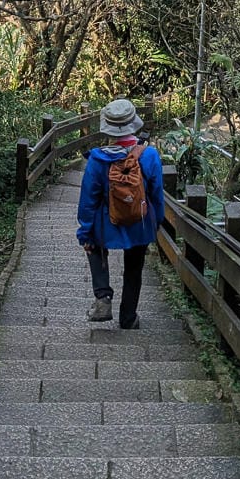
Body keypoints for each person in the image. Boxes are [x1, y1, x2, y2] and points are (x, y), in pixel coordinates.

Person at [76, 98, 165, 329]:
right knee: (134, 267)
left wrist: (85, 232)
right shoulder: (149, 155)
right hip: (139, 221)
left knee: (94, 247)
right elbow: (156, 194)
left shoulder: (97, 159)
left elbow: (88, 199)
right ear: (132, 124)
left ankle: (103, 296)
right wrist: (157, 221)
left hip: (107, 223)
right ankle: (128, 318)